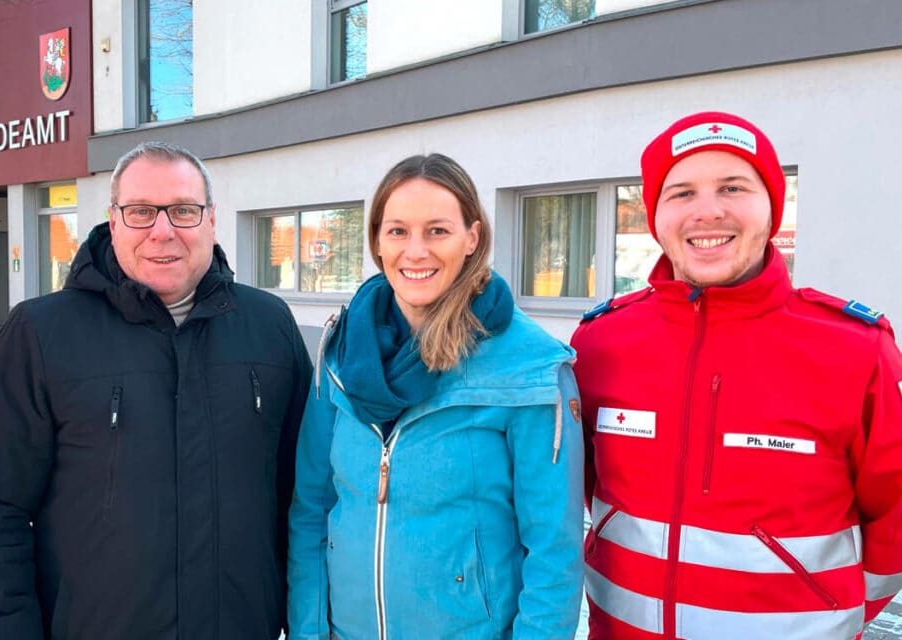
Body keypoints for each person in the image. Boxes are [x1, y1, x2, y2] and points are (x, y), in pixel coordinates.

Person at [0, 141, 313, 639]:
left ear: (211, 220)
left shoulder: (269, 325)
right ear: (113, 220)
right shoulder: (42, 332)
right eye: (141, 211)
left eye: (183, 211)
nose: (162, 231)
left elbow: (304, 493)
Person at [573, 111, 902, 639]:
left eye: (733, 187)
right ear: (656, 216)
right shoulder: (600, 341)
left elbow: (894, 518)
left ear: (773, 207)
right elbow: (584, 485)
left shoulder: (856, 349)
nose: (708, 211)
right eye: (682, 193)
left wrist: (832, 616)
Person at [288, 153, 584, 640]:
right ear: (377, 241)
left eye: (438, 231)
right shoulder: (340, 353)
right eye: (398, 231)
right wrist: (308, 631)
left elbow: (554, 553)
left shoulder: (529, 367)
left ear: (472, 238)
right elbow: (311, 512)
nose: (415, 251)